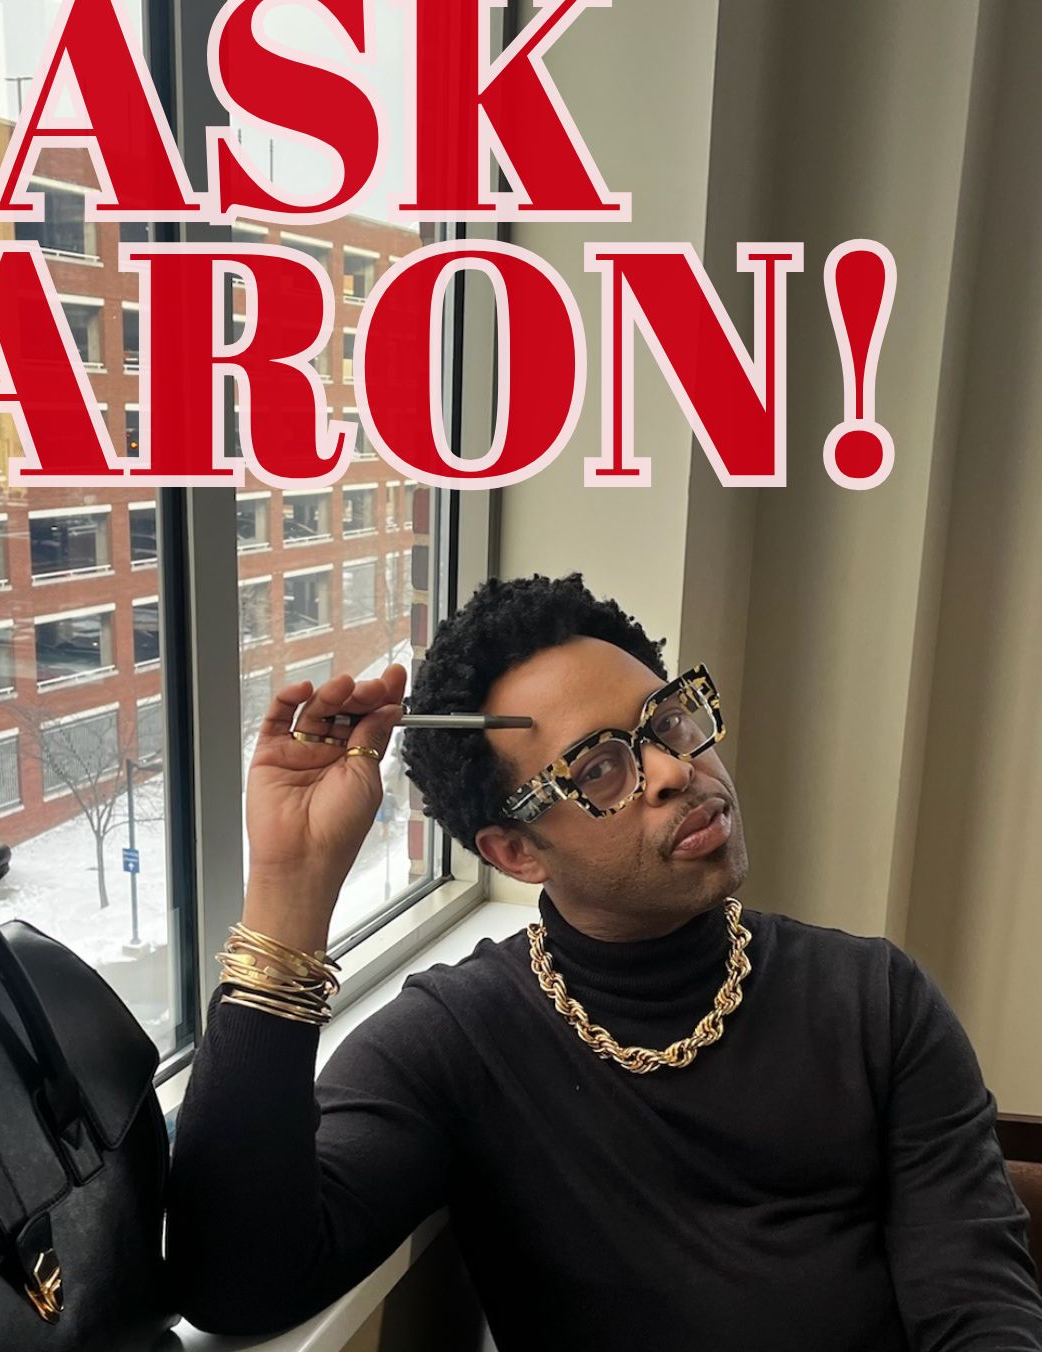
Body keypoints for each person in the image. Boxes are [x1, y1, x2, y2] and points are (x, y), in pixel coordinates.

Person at [166, 572, 1042, 1349]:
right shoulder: (460, 1041)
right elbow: (239, 1281)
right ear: (516, 853)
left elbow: (977, 1308)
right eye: (602, 769)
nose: (672, 770)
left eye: (668, 720)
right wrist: (290, 883)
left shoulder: (875, 1001)